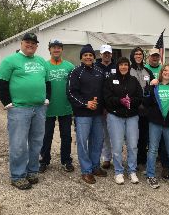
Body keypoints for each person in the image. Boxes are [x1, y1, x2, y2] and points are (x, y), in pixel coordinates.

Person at [0, 32, 50, 190]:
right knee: (19, 144)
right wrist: (7, 103)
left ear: (36, 46)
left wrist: (47, 99)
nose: (30, 45)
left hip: (39, 108)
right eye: (28, 42)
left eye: (34, 43)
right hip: (19, 109)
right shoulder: (10, 61)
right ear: (21, 43)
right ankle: (18, 175)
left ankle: (32, 171)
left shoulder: (41, 61)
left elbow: (47, 83)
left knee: (36, 142)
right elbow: (1, 83)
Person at [67, 44, 107, 184]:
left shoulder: (99, 71)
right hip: (82, 114)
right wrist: (86, 103)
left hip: (97, 114)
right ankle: (86, 170)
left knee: (97, 141)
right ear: (81, 57)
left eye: (90, 55)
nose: (88, 57)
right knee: (83, 142)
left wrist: (105, 107)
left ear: (94, 57)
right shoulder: (76, 72)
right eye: (85, 55)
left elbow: (104, 91)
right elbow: (71, 93)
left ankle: (95, 166)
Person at [143, 64, 169, 189]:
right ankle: (151, 175)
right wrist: (150, 86)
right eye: (165, 70)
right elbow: (146, 102)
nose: (167, 72)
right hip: (155, 122)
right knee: (153, 149)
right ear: (161, 72)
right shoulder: (155, 86)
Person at [103, 57, 143, 184]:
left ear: (129, 66)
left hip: (132, 116)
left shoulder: (134, 80)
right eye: (121, 65)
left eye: (126, 65)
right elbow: (107, 98)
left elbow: (139, 97)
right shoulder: (110, 80)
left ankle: (132, 171)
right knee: (117, 146)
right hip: (115, 116)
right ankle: (118, 171)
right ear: (118, 66)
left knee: (132, 145)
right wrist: (119, 100)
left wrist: (131, 101)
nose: (124, 67)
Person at [39, 40, 75, 173]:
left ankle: (66, 160)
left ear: (62, 50)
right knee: (46, 136)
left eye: (59, 47)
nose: (56, 50)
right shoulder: (44, 66)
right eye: (54, 47)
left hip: (65, 107)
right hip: (48, 108)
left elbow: (74, 87)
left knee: (66, 136)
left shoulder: (69, 66)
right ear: (49, 49)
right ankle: (44, 160)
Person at [129, 47, 154, 169]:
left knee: (144, 135)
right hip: (133, 108)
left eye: (140, 54)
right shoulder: (128, 70)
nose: (138, 56)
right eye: (136, 54)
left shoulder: (147, 71)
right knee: (134, 136)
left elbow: (152, 88)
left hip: (145, 108)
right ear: (132, 56)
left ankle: (142, 160)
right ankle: (133, 160)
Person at [95, 44, 116, 170]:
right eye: (104, 53)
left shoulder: (116, 67)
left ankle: (117, 157)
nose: (106, 55)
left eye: (108, 53)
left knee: (116, 134)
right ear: (100, 54)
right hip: (101, 106)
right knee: (103, 134)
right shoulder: (95, 67)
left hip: (114, 105)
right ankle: (106, 158)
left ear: (111, 54)